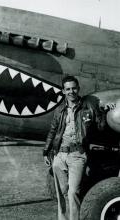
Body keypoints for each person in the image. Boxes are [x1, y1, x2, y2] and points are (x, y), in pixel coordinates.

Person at [42, 75, 114, 220]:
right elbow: (53, 131)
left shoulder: (88, 107)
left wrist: (105, 113)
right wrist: (46, 152)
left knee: (73, 191)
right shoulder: (60, 110)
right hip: (59, 155)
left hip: (77, 155)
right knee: (62, 192)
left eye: (74, 88)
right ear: (63, 91)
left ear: (78, 89)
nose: (71, 92)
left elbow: (100, 127)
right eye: (68, 89)